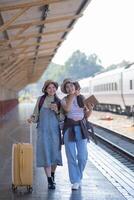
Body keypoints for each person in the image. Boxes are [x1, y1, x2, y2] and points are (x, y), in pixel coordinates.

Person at [28, 80, 62, 190]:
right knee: (45, 154)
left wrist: (57, 111)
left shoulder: (59, 101)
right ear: (45, 89)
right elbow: (35, 115)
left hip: (55, 133)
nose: (51, 89)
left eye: (53, 87)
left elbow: (62, 119)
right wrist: (31, 119)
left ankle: (52, 175)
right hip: (43, 132)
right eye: (49, 88)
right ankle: (49, 180)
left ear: (56, 89)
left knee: (55, 155)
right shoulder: (41, 100)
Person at [60, 78, 93, 190]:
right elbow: (68, 109)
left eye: (71, 86)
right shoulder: (63, 100)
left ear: (75, 86)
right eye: (67, 87)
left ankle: (78, 177)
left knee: (83, 157)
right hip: (69, 128)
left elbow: (87, 115)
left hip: (81, 128)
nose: (70, 88)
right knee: (71, 156)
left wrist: (91, 109)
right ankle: (75, 180)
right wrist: (72, 96)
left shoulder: (82, 98)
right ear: (65, 89)